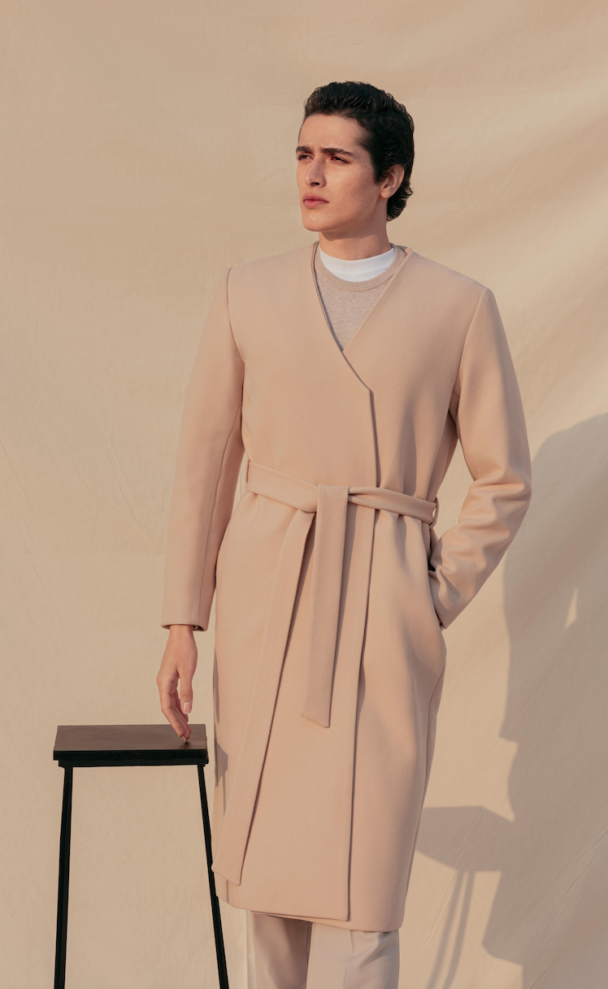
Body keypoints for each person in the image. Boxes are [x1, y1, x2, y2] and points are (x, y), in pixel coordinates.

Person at [156, 81, 531, 989]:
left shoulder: (456, 305)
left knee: (362, 884)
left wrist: (428, 592)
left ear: (389, 177)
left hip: (381, 600)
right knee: (267, 880)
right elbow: (205, 465)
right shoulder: (247, 292)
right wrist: (182, 622)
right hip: (266, 596)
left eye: (337, 157)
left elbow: (504, 477)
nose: (311, 174)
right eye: (302, 154)